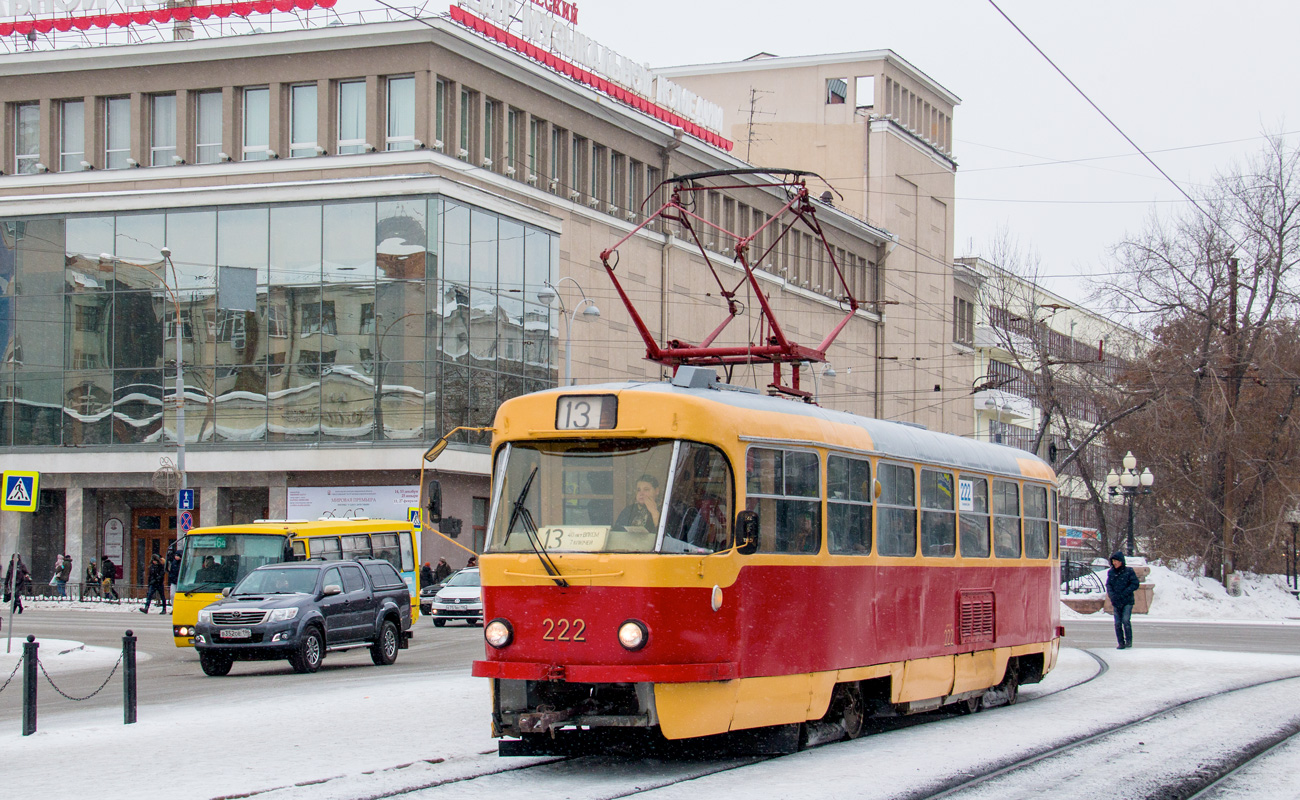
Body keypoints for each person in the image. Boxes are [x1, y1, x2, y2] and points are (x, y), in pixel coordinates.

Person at [1106, 551, 1140, 649]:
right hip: (1116, 601)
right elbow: (1108, 585)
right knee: (1117, 623)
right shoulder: (1111, 572)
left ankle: (1128, 641)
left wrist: (1125, 593)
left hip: (1127, 601)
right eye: (1113, 561)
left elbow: (1135, 584)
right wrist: (1112, 595)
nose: (1114, 563)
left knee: (1125, 620)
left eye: (1116, 561)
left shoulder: (1129, 571)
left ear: (1121, 561)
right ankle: (1121, 642)